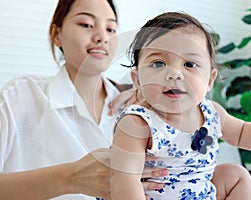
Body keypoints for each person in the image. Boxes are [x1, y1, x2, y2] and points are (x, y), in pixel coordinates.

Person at [110, 12, 251, 200]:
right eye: (159, 63)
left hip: (201, 194)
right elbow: (124, 181)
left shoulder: (211, 112)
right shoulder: (137, 123)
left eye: (190, 64)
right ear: (137, 80)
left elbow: (242, 132)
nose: (175, 74)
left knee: (235, 174)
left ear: (210, 80)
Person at [0, 0, 168, 199]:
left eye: (111, 29)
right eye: (87, 24)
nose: (102, 37)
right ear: (56, 34)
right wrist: (68, 179)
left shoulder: (135, 109)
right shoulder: (21, 96)